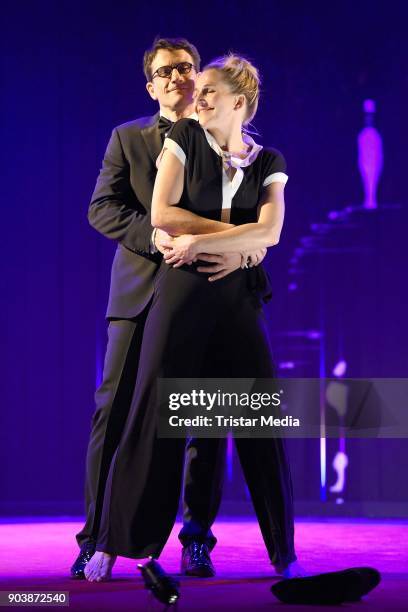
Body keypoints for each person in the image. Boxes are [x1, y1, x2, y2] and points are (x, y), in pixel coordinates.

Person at [84, 53, 305, 582]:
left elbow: (272, 232)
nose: (196, 96)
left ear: (239, 102)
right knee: (150, 416)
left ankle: (283, 553)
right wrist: (240, 239)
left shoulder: (268, 159)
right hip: (181, 290)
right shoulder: (183, 138)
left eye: (208, 90)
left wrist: (235, 250)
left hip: (240, 295)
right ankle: (111, 544)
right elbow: (163, 214)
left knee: (252, 422)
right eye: (195, 88)